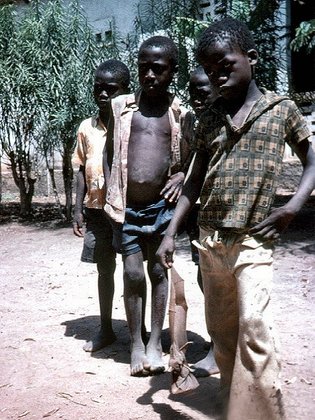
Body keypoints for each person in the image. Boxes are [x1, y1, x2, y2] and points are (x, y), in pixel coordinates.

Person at [156, 17, 315, 420]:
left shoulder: (282, 110)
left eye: (224, 65)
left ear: (252, 58)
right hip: (210, 243)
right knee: (223, 335)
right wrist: (171, 231)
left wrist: (292, 206)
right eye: (210, 70)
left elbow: (312, 159)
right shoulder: (209, 117)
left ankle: (265, 413)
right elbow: (192, 183)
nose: (217, 75)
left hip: (253, 242)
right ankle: (235, 401)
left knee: (254, 327)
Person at [104, 36, 192, 376]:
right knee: (131, 273)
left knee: (158, 271)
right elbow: (110, 151)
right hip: (127, 208)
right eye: (144, 68)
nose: (150, 75)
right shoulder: (122, 107)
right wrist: (112, 196)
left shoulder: (180, 112)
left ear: (173, 71)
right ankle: (135, 343)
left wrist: (181, 174)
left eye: (158, 69)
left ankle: (156, 341)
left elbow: (189, 156)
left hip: (161, 209)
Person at [72, 59, 130, 352]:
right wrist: (76, 209)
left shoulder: (133, 123)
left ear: (126, 90)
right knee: (104, 269)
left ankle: (139, 331)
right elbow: (80, 168)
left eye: (111, 89)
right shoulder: (87, 127)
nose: (103, 95)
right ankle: (106, 327)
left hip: (127, 211)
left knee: (134, 270)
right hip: (96, 210)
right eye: (98, 89)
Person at [184, 66, 219, 378]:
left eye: (203, 91)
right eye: (192, 91)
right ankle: (217, 341)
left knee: (221, 281)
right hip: (196, 210)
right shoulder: (189, 120)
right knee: (202, 276)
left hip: (222, 212)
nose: (196, 98)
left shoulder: (225, 120)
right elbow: (186, 164)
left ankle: (221, 346)